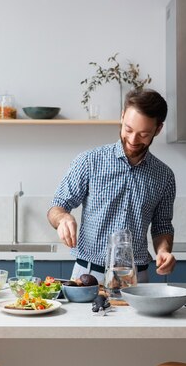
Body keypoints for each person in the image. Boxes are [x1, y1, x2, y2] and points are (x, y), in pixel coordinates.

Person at [47, 88, 176, 284]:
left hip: (136, 279)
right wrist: (62, 218)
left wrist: (164, 251)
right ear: (122, 116)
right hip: (88, 277)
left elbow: (162, 226)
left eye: (143, 134)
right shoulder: (89, 161)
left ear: (158, 129)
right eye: (129, 129)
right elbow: (57, 207)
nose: (133, 140)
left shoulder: (164, 176)